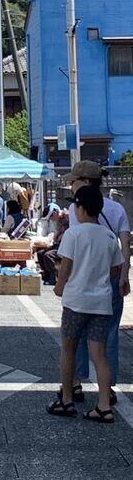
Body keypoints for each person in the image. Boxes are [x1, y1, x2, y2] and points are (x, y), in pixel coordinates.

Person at [47, 186, 123, 423]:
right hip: (101, 303)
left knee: (69, 348)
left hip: (75, 301)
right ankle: (103, 405)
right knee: (99, 354)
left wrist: (59, 287)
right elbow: (115, 268)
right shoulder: (109, 237)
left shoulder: (74, 234)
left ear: (80, 209)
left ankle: (67, 399)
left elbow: (66, 266)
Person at [65, 161, 131, 404]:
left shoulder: (77, 210)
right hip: (109, 281)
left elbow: (75, 248)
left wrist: (64, 282)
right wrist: (124, 276)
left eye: (74, 181)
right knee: (109, 335)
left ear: (85, 182)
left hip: (83, 281)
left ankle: (76, 384)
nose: (71, 186)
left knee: (76, 335)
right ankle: (108, 390)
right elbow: (125, 246)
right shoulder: (117, 209)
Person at [37, 204, 69, 285]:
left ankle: (53, 277)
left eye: (51, 217)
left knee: (48, 255)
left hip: (67, 246)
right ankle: (46, 275)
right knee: (40, 253)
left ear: (55, 213)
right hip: (59, 244)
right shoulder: (58, 220)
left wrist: (64, 234)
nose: (51, 219)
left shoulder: (68, 217)